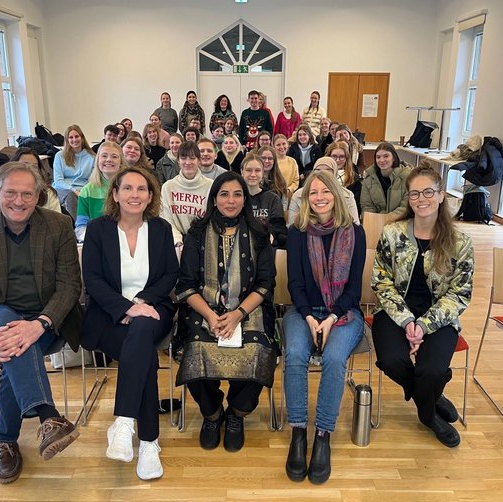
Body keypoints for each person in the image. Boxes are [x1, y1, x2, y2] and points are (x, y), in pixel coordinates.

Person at [0, 161, 82, 484]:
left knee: (17, 347)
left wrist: (40, 324)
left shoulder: (58, 226)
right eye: (10, 193)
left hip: (49, 322)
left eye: (27, 194)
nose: (18, 201)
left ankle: (6, 439)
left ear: (39, 196)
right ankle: (48, 417)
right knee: (7, 326)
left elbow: (69, 286)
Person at [81, 167, 179, 480]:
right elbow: (92, 280)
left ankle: (124, 421)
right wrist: (124, 308)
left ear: (151, 196)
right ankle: (149, 442)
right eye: (127, 188)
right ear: (115, 194)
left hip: (154, 311)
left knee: (141, 331)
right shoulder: (98, 230)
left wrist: (138, 305)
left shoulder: (161, 229)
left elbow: (169, 275)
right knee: (144, 356)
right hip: (108, 317)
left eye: (141, 189)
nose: (134, 195)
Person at [371, 162, 474, 448]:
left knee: (431, 370)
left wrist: (424, 325)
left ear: (442, 195)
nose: (421, 199)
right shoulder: (392, 234)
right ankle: (428, 403)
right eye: (414, 194)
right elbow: (381, 282)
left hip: (439, 318)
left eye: (428, 192)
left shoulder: (460, 242)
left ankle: (427, 405)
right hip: (395, 313)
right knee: (391, 360)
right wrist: (407, 322)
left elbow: (460, 293)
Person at [175, 172, 277, 452]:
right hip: (204, 307)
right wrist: (210, 315)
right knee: (194, 349)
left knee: (258, 349)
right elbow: (186, 285)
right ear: (214, 199)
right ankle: (212, 414)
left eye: (237, 194)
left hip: (248, 308)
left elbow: (267, 282)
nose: (231, 201)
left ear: (245, 199)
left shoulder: (259, 233)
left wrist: (237, 315)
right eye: (224, 194)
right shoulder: (196, 232)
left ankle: (236, 413)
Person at [284, 169, 366, 484]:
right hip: (303, 311)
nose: (319, 197)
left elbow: (354, 291)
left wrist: (331, 318)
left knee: (333, 358)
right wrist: (309, 316)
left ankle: (322, 435)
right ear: (306, 198)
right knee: (294, 353)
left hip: (343, 313)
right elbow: (295, 283)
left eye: (325, 191)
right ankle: (298, 433)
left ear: (336, 194)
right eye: (313, 192)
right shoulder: (297, 231)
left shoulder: (355, 233)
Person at [160, 141, 213, 245]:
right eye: (183, 158)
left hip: (202, 242)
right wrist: (177, 241)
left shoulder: (210, 185)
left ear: (199, 161)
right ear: (178, 161)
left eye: (192, 158)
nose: (188, 162)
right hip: (175, 242)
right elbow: (167, 219)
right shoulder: (168, 187)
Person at [75, 141, 126, 242]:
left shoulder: (130, 189)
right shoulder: (87, 191)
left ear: (121, 162)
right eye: (104, 156)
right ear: (98, 160)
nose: (109, 160)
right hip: (97, 242)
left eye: (114, 156)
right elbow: (80, 228)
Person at [287, 157, 360, 226]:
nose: (322, 173)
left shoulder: (347, 195)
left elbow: (354, 223)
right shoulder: (298, 195)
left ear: (335, 173)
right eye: (318, 170)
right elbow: (292, 225)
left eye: (327, 170)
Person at [0, 147, 61, 213]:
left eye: (34, 167)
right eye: (23, 166)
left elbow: (56, 223)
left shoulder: (49, 194)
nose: (29, 170)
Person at [241, 153, 287, 248]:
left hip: (265, 247)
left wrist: (272, 234)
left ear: (262, 172)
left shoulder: (273, 199)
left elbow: (279, 228)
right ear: (242, 172)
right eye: (248, 170)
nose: (253, 174)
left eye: (257, 170)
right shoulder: (236, 198)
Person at [52, 124, 95, 220]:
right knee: (71, 196)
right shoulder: (59, 156)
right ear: (67, 140)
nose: (74, 140)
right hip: (63, 189)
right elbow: (58, 181)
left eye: (77, 136)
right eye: (70, 137)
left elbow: (92, 180)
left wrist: (84, 191)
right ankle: (77, 227)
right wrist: (73, 190)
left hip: (83, 189)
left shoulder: (92, 156)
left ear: (82, 138)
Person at [360, 141, 412, 221]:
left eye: (386, 156)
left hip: (400, 222)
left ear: (393, 157)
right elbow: (367, 206)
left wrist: (387, 219)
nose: (381, 160)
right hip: (376, 223)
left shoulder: (406, 177)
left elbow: (406, 206)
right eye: (378, 157)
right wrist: (374, 221)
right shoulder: (368, 179)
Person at [327, 141, 362, 214]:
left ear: (347, 158)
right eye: (334, 156)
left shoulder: (354, 177)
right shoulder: (322, 174)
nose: (337, 160)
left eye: (342, 157)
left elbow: (356, 206)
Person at [258, 144, 289, 212]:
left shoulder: (281, 181)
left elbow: (284, 204)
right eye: (263, 158)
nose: (266, 161)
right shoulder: (252, 180)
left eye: (270, 158)